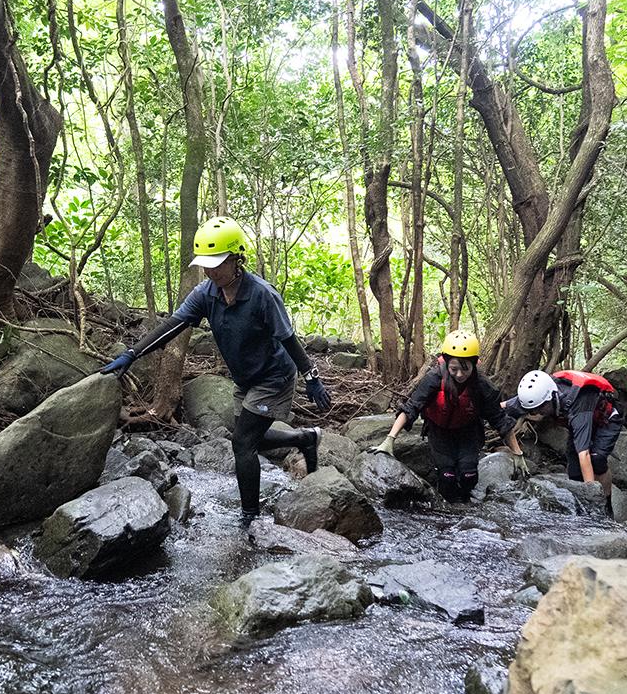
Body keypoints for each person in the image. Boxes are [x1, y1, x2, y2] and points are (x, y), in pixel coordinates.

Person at [100, 216, 332, 525]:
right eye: (206, 264)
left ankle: (249, 519)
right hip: (245, 378)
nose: (210, 270)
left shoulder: (263, 295)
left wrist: (311, 377)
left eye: (217, 263)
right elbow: (173, 326)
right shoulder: (206, 294)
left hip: (273, 377)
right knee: (253, 440)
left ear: (237, 258)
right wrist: (132, 353)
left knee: (242, 443)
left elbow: (288, 338)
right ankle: (304, 438)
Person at [371, 330, 520, 502]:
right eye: (454, 369)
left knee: (468, 476)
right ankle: (448, 510)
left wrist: (517, 454)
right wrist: (389, 439)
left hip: (468, 433)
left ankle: (467, 505)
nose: (459, 375)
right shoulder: (434, 378)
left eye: (465, 369)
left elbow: (500, 420)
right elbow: (411, 408)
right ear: (446, 363)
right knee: (447, 477)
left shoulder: (482, 386)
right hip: (439, 431)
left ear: (475, 364)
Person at [505, 369, 623, 513]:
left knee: (596, 460)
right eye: (533, 410)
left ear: (551, 398)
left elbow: (583, 454)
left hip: (607, 418)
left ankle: (606, 505)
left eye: (540, 408)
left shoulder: (576, 401)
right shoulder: (536, 395)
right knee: (574, 472)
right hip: (579, 420)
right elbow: (500, 408)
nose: (537, 413)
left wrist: (592, 501)